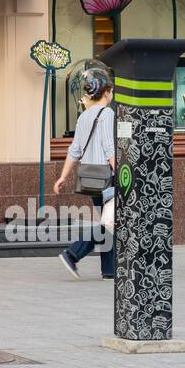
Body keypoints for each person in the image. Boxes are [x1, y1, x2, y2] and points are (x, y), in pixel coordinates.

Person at [53, 69, 117, 281]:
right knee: (110, 222)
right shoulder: (107, 114)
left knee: (110, 221)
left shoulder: (84, 117)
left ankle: (109, 270)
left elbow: (74, 150)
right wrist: (124, 176)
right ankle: (73, 253)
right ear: (107, 92)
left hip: (91, 179)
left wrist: (63, 176)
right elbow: (110, 148)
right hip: (108, 178)